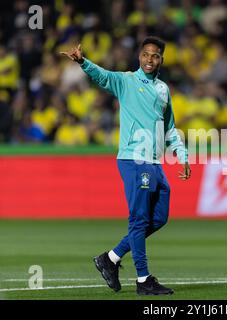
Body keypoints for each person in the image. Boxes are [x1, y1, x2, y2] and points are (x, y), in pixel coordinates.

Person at [61, 36, 191, 295]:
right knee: (139, 219)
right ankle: (143, 280)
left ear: (161, 59)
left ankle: (110, 258)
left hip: (155, 161)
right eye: (145, 54)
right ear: (139, 57)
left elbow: (170, 127)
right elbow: (103, 76)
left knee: (159, 218)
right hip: (133, 158)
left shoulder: (164, 89)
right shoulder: (127, 81)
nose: (149, 59)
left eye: (155, 55)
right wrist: (83, 62)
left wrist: (183, 155)